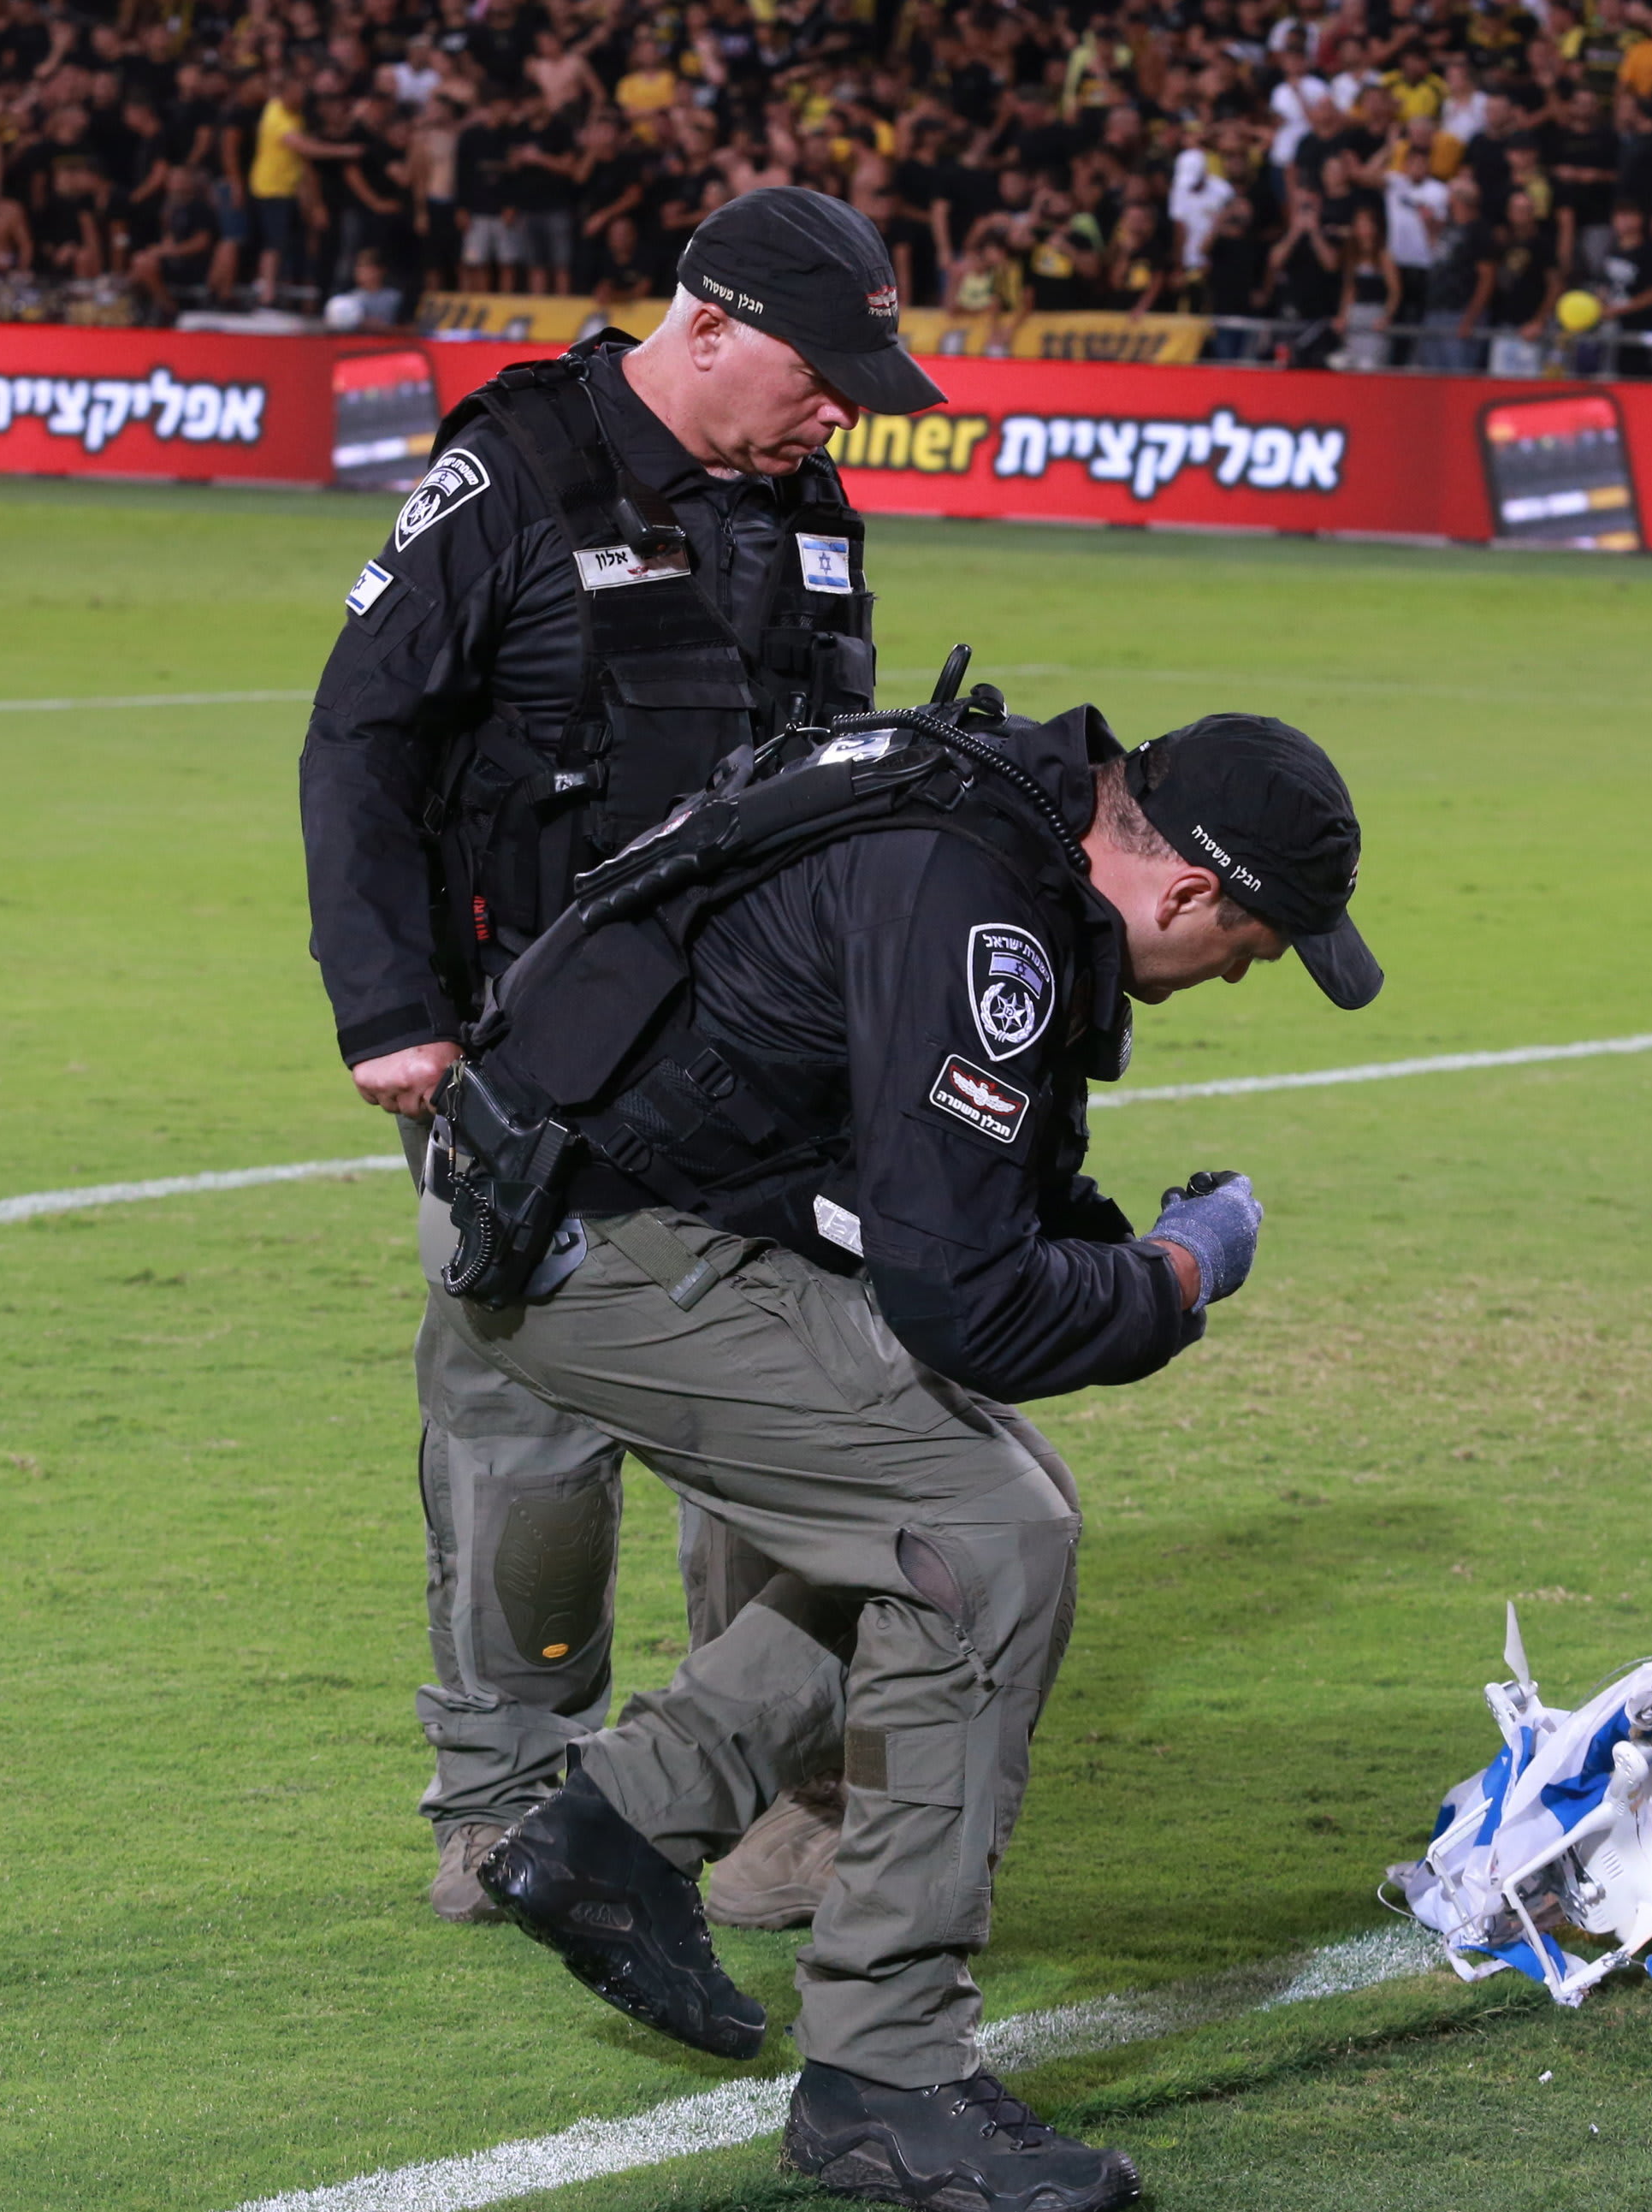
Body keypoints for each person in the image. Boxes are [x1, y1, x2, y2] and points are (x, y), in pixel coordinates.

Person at [445, 702, 1379, 2212]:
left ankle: (615, 1832)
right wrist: (1182, 1278)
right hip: (592, 1244)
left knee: (974, 1514)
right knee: (989, 1536)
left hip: (589, 1194)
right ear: (1191, 892)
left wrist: (1111, 1248)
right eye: (1254, 949)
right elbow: (971, 1307)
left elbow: (953, 1198)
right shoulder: (983, 901)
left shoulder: (994, 824)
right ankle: (886, 2076)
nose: (1236, 980)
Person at [298, 187, 934, 1938]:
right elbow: (357, 739)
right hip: (524, 1061)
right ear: (708, 324)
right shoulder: (505, 477)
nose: (847, 407)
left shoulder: (807, 503)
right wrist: (388, 1010)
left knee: (787, 1427)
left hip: (764, 1065)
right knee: (526, 1440)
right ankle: (505, 1795)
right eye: (824, 368)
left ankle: (769, 1805)